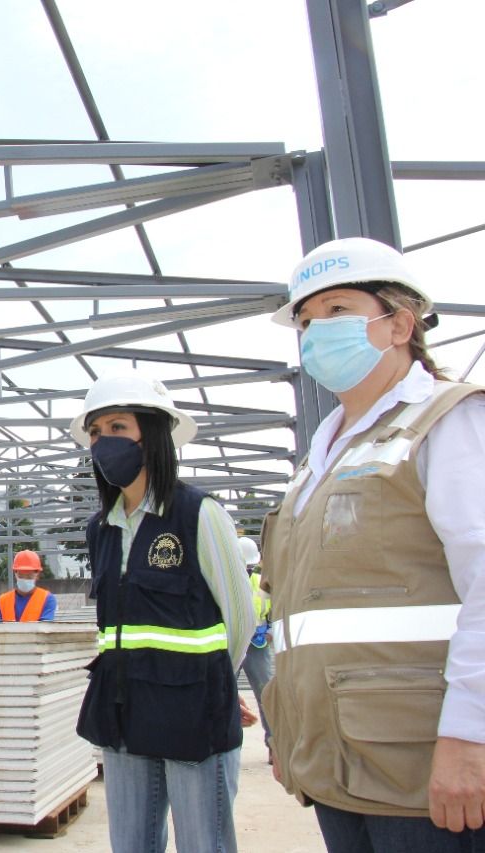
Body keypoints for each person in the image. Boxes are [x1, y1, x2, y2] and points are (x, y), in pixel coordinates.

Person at [261, 237, 485, 850]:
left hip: (420, 764)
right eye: (305, 321)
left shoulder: (448, 422)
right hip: (340, 761)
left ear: (400, 324)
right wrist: (288, 731)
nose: (315, 332)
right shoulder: (323, 456)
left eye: (336, 311)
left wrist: (471, 738)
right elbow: (299, 618)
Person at [72, 371, 256, 853]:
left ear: (151, 434)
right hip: (122, 710)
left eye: (117, 428)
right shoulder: (102, 529)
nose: (102, 442)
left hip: (191, 708)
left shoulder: (198, 513)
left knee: (203, 843)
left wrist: (218, 682)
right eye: (95, 433)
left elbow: (239, 617)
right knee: (131, 843)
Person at [236, 536, 273, 760]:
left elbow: (275, 610)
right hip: (235, 642)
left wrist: (270, 632)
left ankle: (274, 745)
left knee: (266, 693)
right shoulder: (228, 579)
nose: (248, 570)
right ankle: (230, 744)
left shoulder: (261, 582)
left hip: (257, 644)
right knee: (226, 692)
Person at [0, 549, 57, 623]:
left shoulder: (47, 599)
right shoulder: (3, 600)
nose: (25, 579)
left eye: (29, 576)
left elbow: (44, 628)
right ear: (15, 574)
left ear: (37, 574)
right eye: (21, 576)